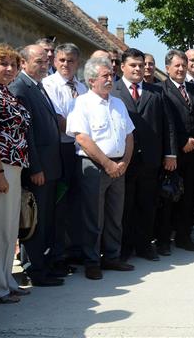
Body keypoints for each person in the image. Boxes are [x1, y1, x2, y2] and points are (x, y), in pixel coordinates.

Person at [66, 56, 135, 280]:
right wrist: (107, 164)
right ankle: (92, 261)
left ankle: (112, 257)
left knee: (115, 215)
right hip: (94, 166)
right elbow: (82, 138)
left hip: (119, 166)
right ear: (92, 80)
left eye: (111, 75)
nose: (110, 79)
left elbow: (129, 135)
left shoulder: (118, 103)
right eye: (106, 76)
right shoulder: (82, 103)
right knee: (93, 217)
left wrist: (124, 161)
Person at [112, 48, 177, 262]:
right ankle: (124, 247)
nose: (138, 69)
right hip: (124, 159)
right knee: (124, 205)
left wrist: (170, 154)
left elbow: (168, 124)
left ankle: (144, 245)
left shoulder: (156, 92)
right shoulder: (113, 91)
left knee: (147, 203)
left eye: (141, 65)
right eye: (133, 65)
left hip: (150, 158)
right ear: (123, 67)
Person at [9, 45, 63, 287]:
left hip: (51, 167)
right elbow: (27, 134)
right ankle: (35, 271)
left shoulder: (38, 86)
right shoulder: (20, 88)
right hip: (39, 169)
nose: (45, 65)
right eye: (39, 61)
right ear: (24, 62)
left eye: (46, 61)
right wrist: (36, 168)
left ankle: (45, 265)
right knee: (35, 223)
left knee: (47, 221)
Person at [42, 43, 87, 272]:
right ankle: (58, 254)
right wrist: (83, 133)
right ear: (54, 61)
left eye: (70, 60)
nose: (65, 65)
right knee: (59, 205)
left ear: (77, 62)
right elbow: (59, 120)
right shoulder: (49, 85)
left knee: (77, 204)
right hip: (61, 149)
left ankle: (74, 250)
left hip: (81, 151)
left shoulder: (83, 87)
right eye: (61, 60)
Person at [158, 50, 194, 254]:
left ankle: (183, 236)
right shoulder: (160, 90)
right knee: (168, 197)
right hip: (173, 154)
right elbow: (165, 123)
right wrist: (181, 143)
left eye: (183, 65)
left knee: (188, 198)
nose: (180, 69)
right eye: (176, 65)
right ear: (168, 67)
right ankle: (163, 240)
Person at [0, 44, 31, 303]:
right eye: (2, 63)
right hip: (1, 166)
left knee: (9, 229)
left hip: (15, 166)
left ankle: (6, 279)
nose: (9, 69)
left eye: (14, 65)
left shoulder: (6, 93)